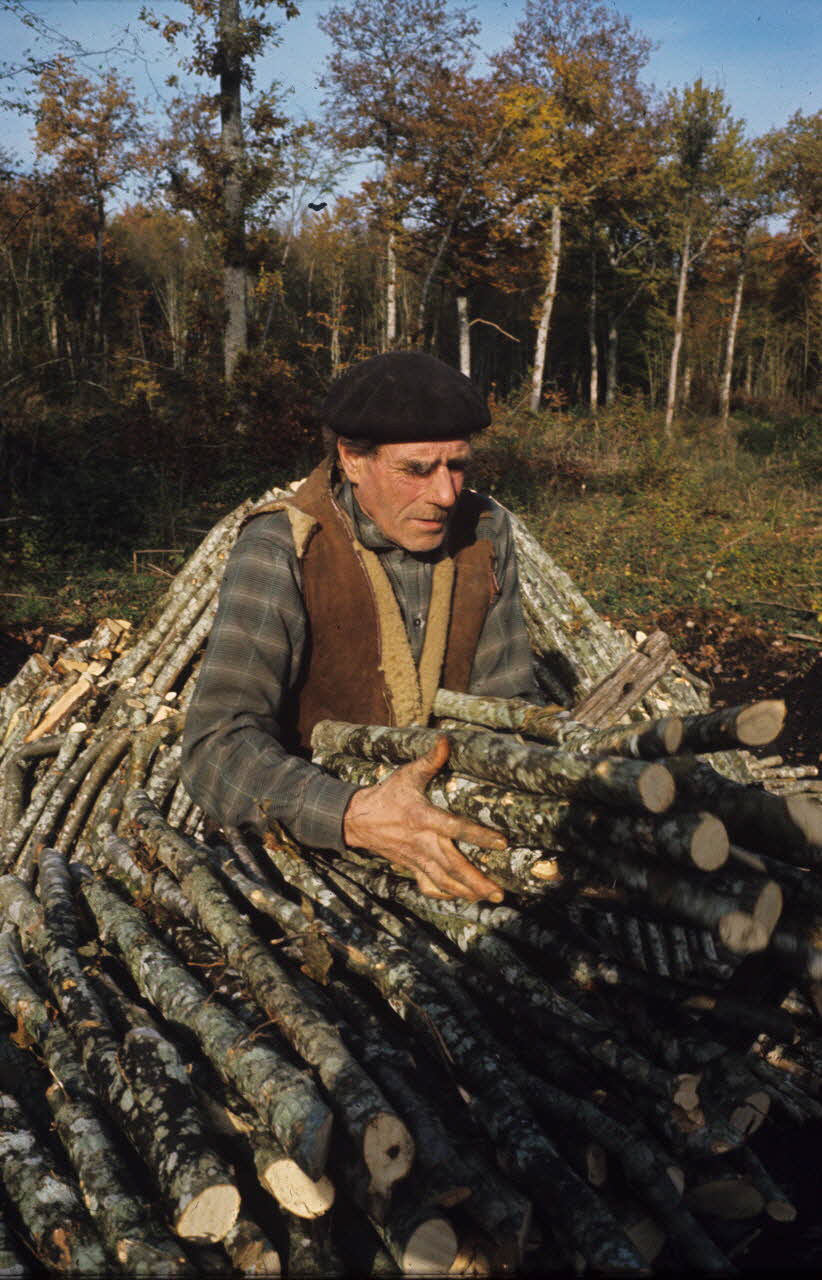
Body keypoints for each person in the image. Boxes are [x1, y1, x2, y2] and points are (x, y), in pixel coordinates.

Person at [181, 351, 542, 902]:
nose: (445, 494)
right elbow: (217, 747)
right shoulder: (283, 546)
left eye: (458, 465)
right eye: (417, 470)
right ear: (352, 460)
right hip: (309, 861)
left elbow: (506, 704)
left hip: (448, 834)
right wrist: (352, 813)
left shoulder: (485, 533)